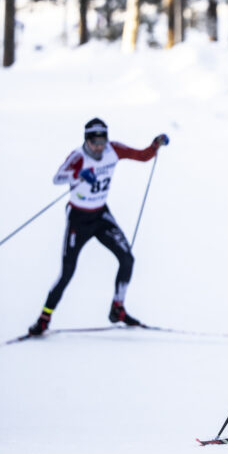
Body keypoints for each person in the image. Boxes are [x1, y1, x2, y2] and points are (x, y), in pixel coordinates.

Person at [27, 118, 169, 336]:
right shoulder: (78, 157)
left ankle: (117, 309)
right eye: (95, 142)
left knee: (127, 259)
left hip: (101, 215)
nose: (100, 147)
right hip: (78, 218)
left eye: (103, 141)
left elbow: (141, 156)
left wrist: (154, 146)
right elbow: (57, 178)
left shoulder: (114, 150)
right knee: (67, 272)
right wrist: (78, 174)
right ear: (87, 141)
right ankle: (44, 319)